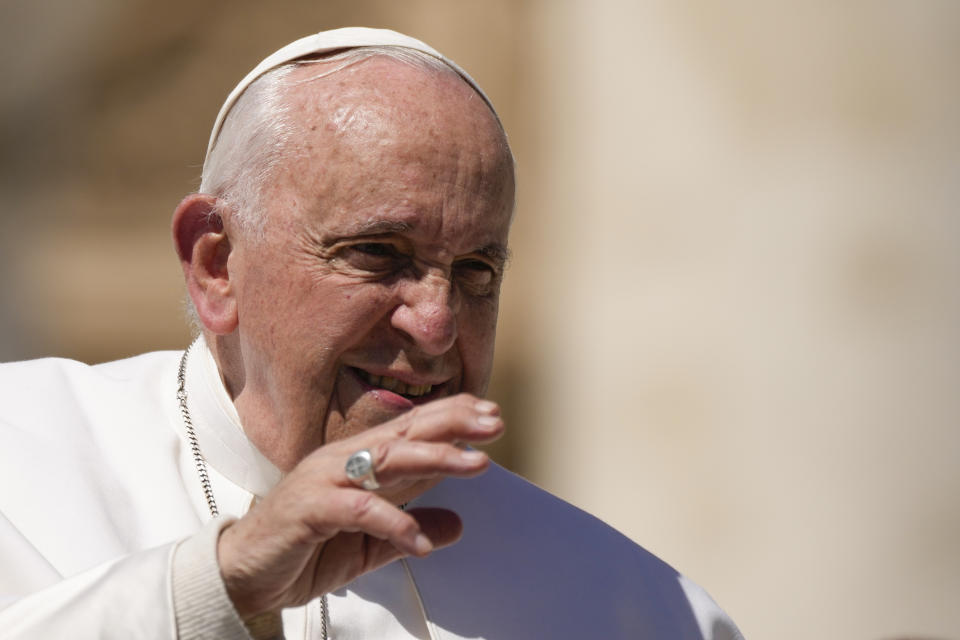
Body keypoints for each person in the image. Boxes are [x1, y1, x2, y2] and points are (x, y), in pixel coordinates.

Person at [0, 27, 744, 639]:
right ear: (216, 264)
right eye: (378, 253)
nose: (436, 324)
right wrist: (215, 583)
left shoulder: (628, 606)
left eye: (478, 270)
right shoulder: (19, 456)